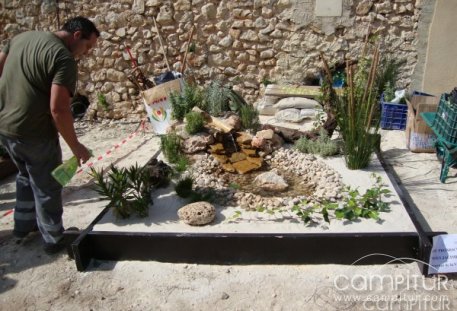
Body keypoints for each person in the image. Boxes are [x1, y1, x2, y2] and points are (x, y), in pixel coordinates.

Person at [0, 16, 100, 254]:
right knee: (47, 186)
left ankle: (24, 227)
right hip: (35, 133)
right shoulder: (63, 58)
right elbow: (59, 109)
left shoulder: (20, 38)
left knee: (25, 176)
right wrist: (76, 146)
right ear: (77, 35)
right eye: (88, 46)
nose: (85, 53)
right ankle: (54, 239)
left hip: (5, 128)